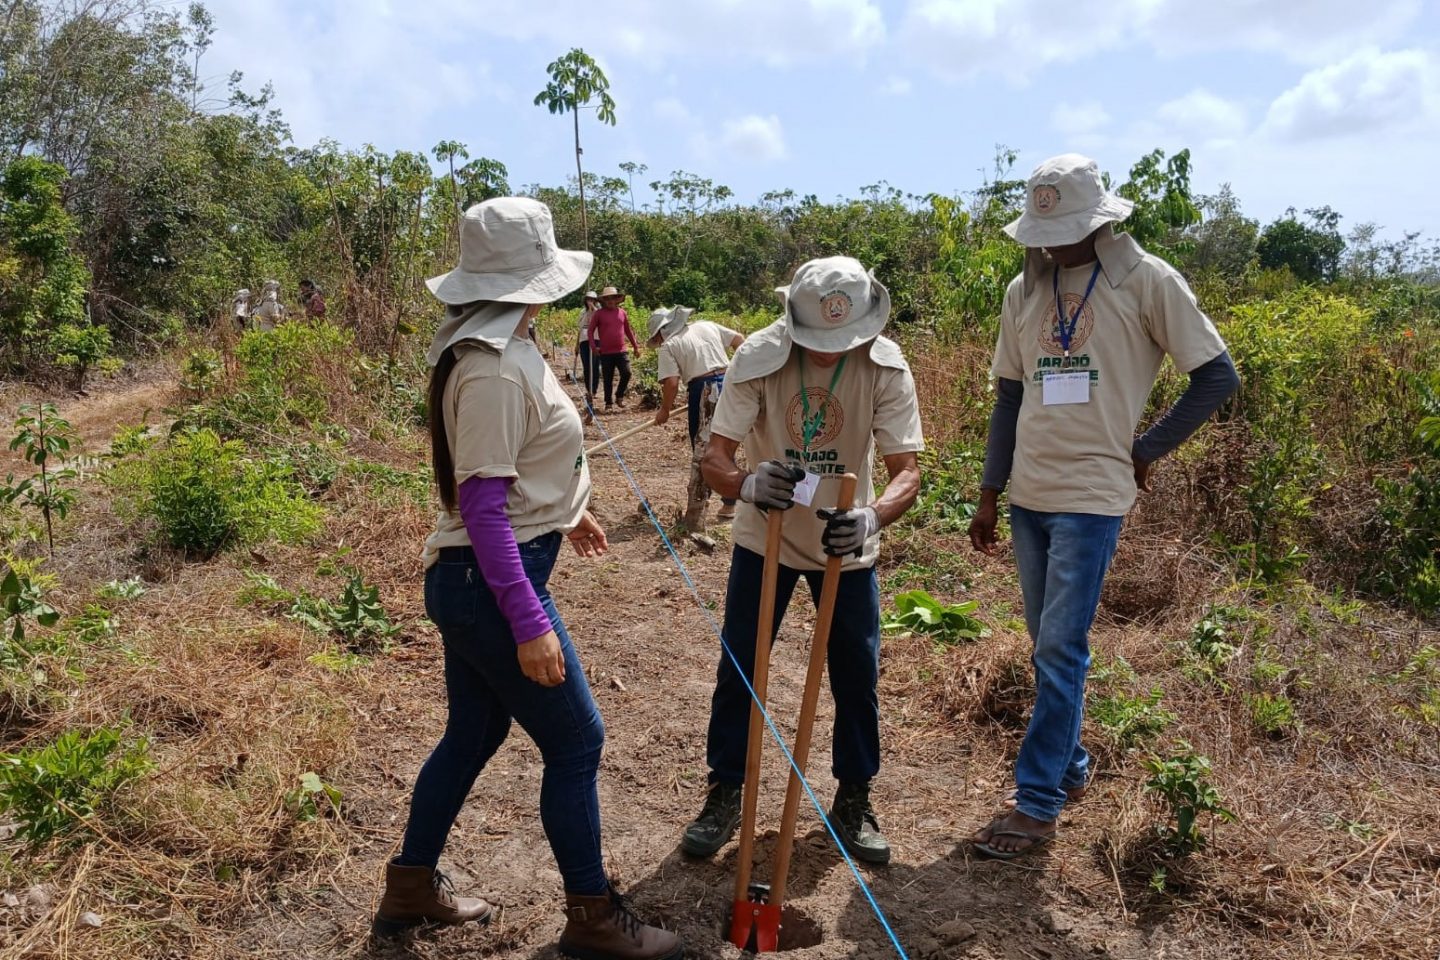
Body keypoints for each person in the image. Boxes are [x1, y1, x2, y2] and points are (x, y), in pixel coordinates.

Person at [373, 197, 681, 960]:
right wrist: (530, 620)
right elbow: (481, 507)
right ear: (534, 281)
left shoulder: (501, 345)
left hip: (483, 574)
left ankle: (411, 886)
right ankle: (594, 918)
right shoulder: (493, 367)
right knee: (578, 743)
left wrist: (567, 512)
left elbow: (509, 475)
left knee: (473, 734)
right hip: (488, 581)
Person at [968, 154, 1240, 860]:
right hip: (1029, 493)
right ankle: (1071, 766)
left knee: (1062, 647)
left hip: (1092, 497)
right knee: (1046, 646)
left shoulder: (1145, 281)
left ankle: (1037, 802)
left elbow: (1216, 375)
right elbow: (1010, 398)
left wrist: (1148, 448)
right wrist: (989, 495)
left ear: (1099, 220)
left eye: (1063, 229)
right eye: (1042, 230)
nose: (1050, 243)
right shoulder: (1024, 290)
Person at [681, 256, 924, 866]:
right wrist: (743, 484)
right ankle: (726, 789)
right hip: (767, 537)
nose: (827, 351)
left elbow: (906, 472)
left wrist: (873, 516)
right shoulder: (759, 356)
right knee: (742, 666)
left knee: (856, 676)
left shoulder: (886, 366)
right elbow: (715, 457)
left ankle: (854, 794)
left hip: (846, 545)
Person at [647, 306, 744, 535]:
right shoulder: (706, 325)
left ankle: (701, 511)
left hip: (703, 390)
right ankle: (729, 502)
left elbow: (671, 383)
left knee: (704, 450)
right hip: (729, 384)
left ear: (660, 332)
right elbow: (739, 340)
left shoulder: (669, 346)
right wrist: (739, 371)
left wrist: (664, 411)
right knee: (726, 443)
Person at [588, 286, 639, 411]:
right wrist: (594, 347)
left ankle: (619, 395)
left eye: (613, 298)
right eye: (607, 299)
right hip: (606, 352)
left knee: (627, 373)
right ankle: (608, 402)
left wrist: (636, 346)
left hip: (621, 350)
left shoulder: (622, 312)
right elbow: (590, 331)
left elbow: (628, 330)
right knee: (608, 378)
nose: (610, 301)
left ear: (617, 299)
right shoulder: (598, 314)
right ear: (604, 301)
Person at [576, 291, 602, 410]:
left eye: (592, 299)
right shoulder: (582, 312)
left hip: (595, 340)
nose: (590, 301)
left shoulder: (599, 312)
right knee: (586, 365)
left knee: (594, 365)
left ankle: (594, 389)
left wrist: (593, 309)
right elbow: (580, 329)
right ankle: (588, 389)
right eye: (588, 299)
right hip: (583, 341)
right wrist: (577, 344)